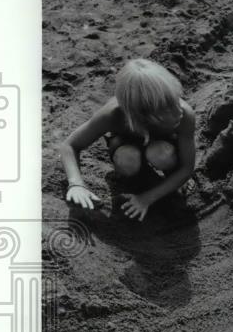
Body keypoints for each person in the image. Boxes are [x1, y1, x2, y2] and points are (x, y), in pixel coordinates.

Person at [60, 58, 196, 222]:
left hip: (162, 146)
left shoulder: (185, 115)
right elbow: (70, 145)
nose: (178, 111)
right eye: (167, 109)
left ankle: (168, 181)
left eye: (176, 100)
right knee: (127, 159)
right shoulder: (113, 115)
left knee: (162, 154)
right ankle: (137, 181)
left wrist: (147, 198)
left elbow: (187, 167)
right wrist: (76, 184)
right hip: (127, 145)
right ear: (142, 114)